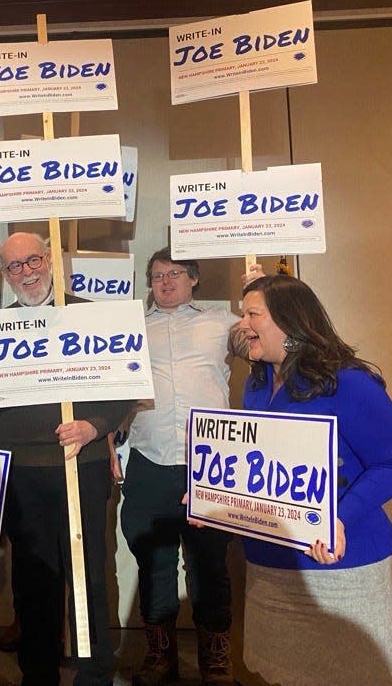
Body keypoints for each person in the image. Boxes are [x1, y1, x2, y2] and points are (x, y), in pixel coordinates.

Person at [237, 274, 392, 686]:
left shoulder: (348, 383)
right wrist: (218, 501)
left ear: (289, 322)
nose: (242, 324)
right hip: (271, 571)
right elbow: (259, 468)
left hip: (343, 573)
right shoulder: (256, 385)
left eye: (252, 314)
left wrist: (340, 516)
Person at [0, 232, 130, 686]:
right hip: (25, 476)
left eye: (33, 260)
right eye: (14, 267)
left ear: (50, 259)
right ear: (5, 276)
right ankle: (38, 674)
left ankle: (94, 672)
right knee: (33, 583)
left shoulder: (88, 314)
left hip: (80, 468)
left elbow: (122, 388)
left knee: (87, 581)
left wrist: (95, 427)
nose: (26, 272)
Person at [117, 249, 244, 686]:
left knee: (210, 563)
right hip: (149, 458)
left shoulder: (223, 321)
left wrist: (259, 289)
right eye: (156, 276)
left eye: (174, 274)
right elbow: (112, 388)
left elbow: (268, 340)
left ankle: (216, 661)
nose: (165, 282)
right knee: (153, 561)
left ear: (194, 278)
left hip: (210, 464)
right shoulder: (132, 329)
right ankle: (159, 657)